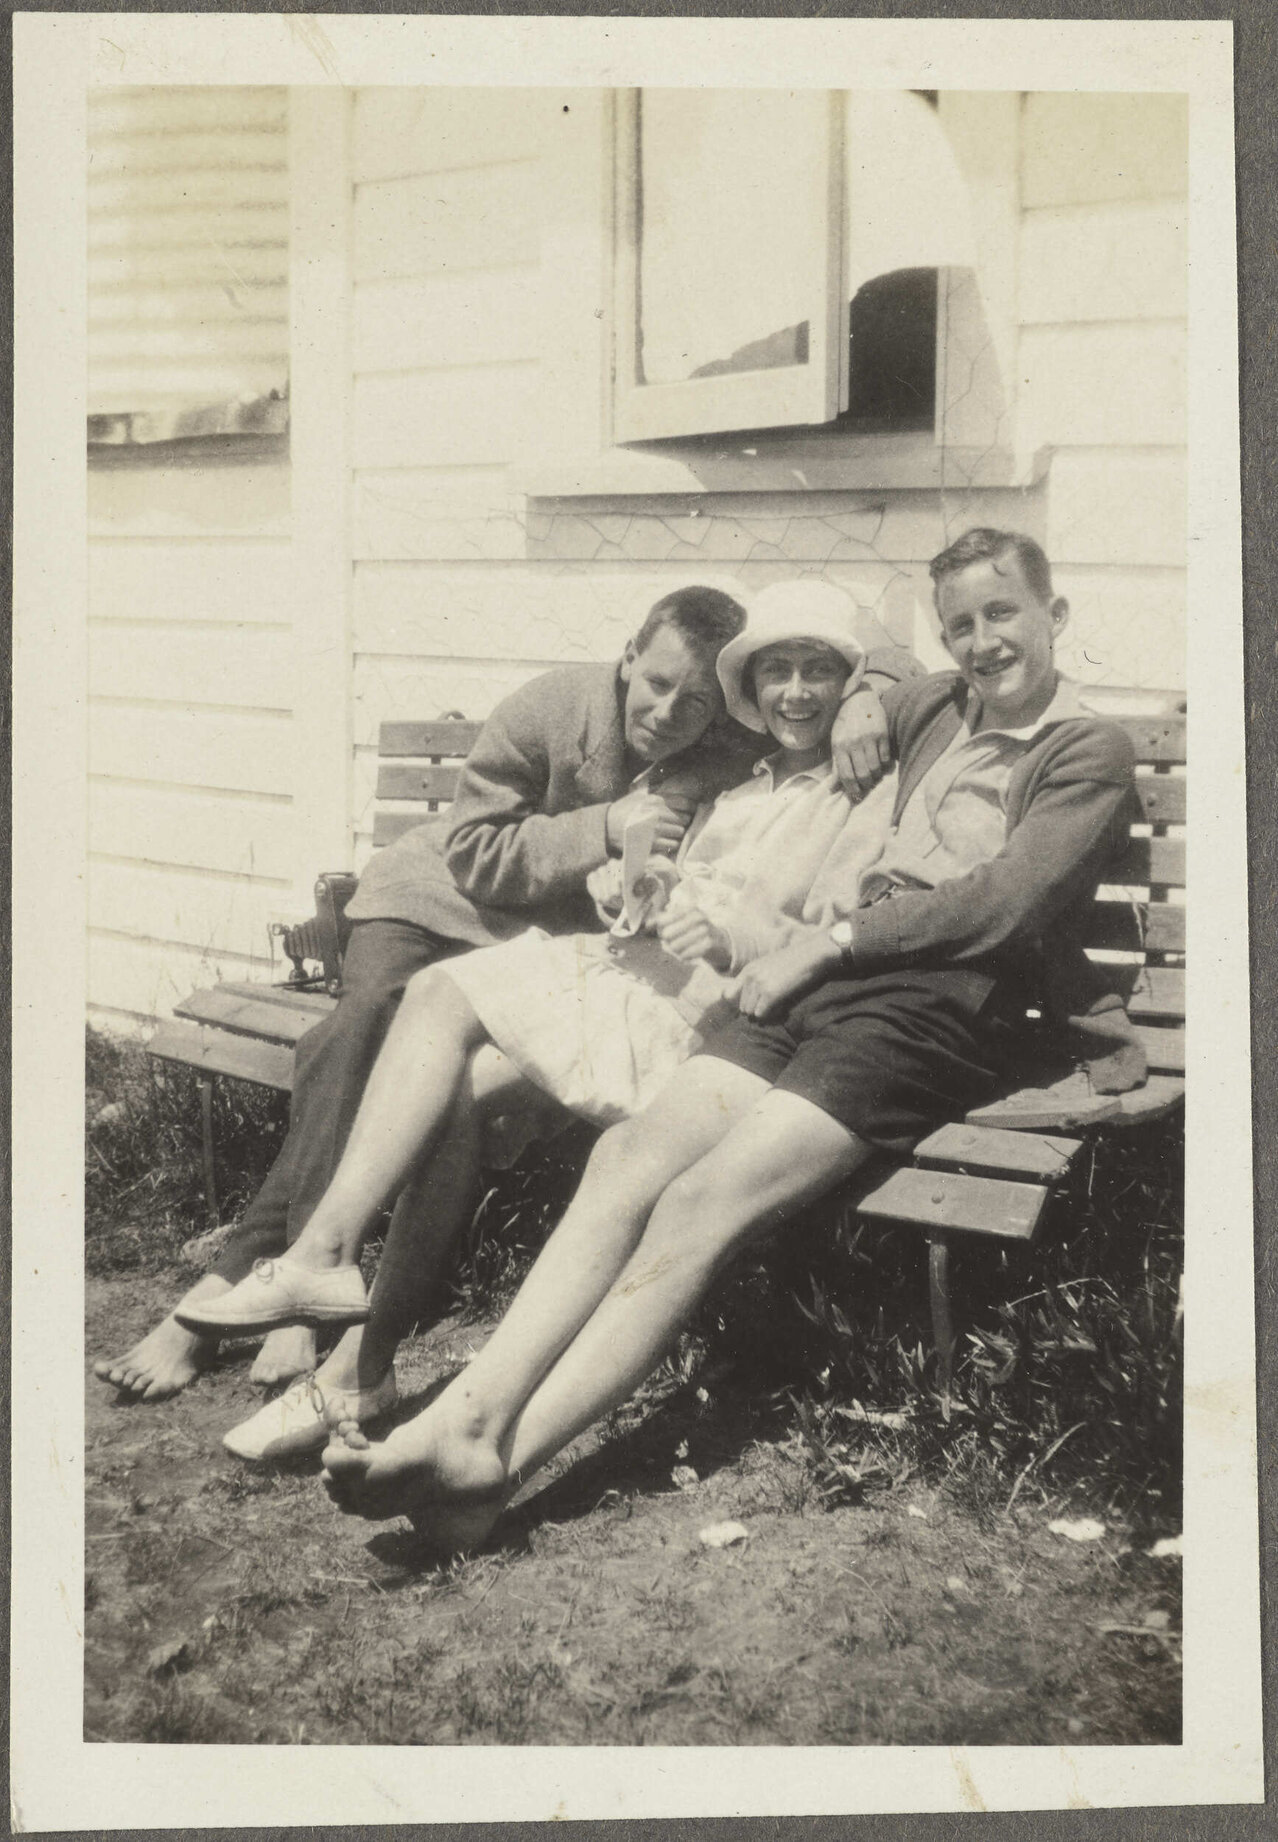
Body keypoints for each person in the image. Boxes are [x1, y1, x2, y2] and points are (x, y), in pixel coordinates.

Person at [310, 527, 1148, 1553]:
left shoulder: (1085, 751)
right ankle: (467, 1415)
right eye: (961, 623)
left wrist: (830, 941)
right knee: (627, 1157)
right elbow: (867, 671)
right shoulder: (939, 703)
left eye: (1003, 614)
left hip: (936, 1010)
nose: (984, 642)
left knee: (703, 1202)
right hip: (824, 983)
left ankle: (493, 1460)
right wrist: (862, 700)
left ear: (1055, 617)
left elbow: (1004, 906)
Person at [95, 585, 917, 1401]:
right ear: (629, 657)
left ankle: (318, 1305)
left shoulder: (746, 740)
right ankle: (262, 1279)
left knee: (441, 1065)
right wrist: (601, 831)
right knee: (361, 1027)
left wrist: (867, 696)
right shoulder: (550, 708)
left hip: (560, 945)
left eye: (696, 701)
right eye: (657, 684)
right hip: (434, 905)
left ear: (725, 701)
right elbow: (473, 855)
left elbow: (887, 662)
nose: (670, 713)